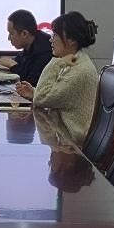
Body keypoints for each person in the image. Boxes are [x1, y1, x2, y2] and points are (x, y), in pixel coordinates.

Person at [15, 11, 99, 145]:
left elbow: (41, 99)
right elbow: (55, 96)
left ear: (71, 40)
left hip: (71, 146)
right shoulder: (75, 60)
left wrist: (56, 62)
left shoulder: (79, 71)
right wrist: (34, 92)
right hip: (62, 138)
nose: (51, 40)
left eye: (55, 35)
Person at [0, 9, 53, 86]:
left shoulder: (45, 51)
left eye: (11, 34)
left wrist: (13, 66)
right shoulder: (31, 45)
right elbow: (18, 60)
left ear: (24, 33)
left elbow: (31, 83)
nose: (8, 38)